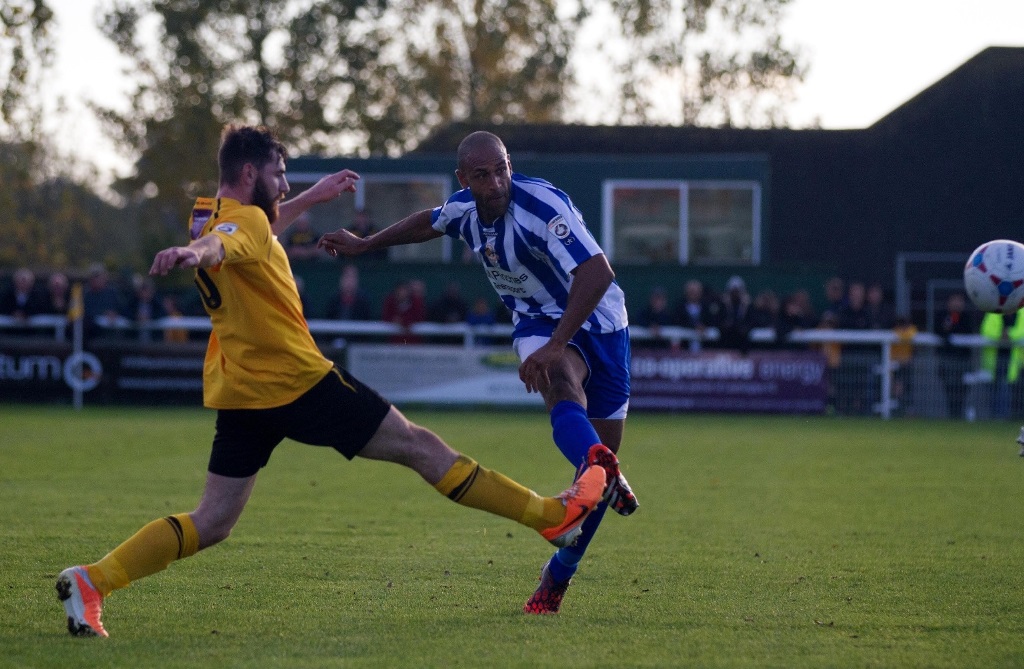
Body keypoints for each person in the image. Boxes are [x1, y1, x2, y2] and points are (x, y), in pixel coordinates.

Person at [55, 124, 614, 638]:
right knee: (421, 448)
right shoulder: (230, 228)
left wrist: (308, 200)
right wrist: (194, 253)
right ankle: (551, 518)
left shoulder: (210, 211)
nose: (283, 183)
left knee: (213, 520)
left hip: (242, 390)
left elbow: (244, 232)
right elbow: (230, 241)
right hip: (298, 382)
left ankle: (93, 581)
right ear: (251, 174)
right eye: (278, 174)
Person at [319, 130, 638, 615]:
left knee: (595, 469)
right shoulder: (465, 209)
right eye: (483, 175)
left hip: (601, 318)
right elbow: (426, 222)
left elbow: (597, 274)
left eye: (502, 170)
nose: (495, 183)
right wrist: (366, 245)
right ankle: (567, 557)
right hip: (536, 319)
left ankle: (590, 491)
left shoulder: (542, 207)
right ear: (464, 179)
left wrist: (556, 344)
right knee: (561, 387)